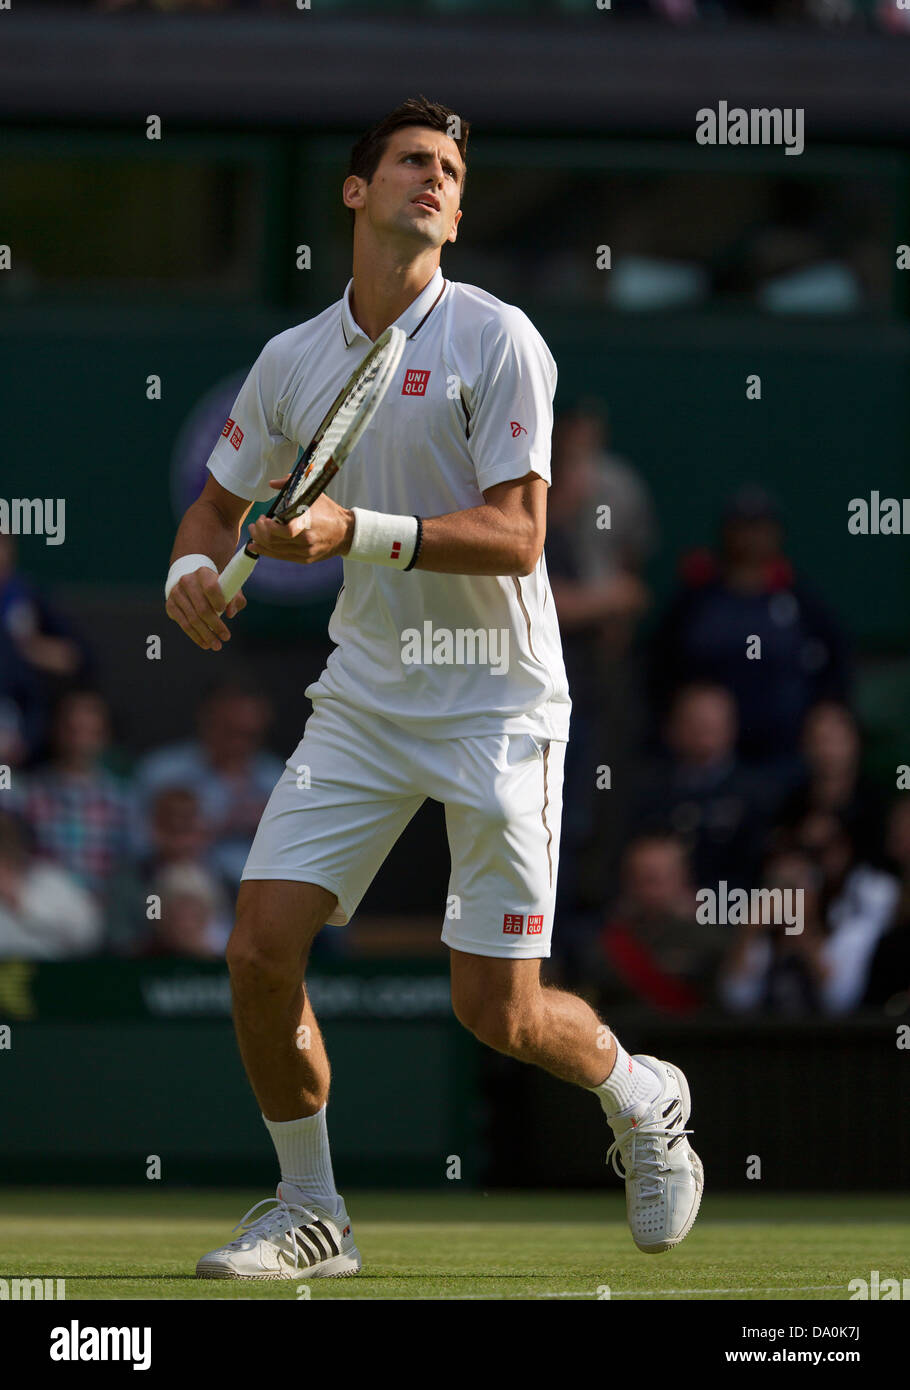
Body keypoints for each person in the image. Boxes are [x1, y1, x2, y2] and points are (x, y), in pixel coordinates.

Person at [164, 96, 702, 1279]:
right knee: (258, 952)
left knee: (495, 1013)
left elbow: (517, 536)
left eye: (451, 171)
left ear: (457, 211)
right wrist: (192, 569)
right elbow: (212, 504)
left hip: (500, 703)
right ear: (355, 193)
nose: (434, 179)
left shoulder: (501, 338)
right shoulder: (290, 360)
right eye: (411, 160)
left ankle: (641, 1092)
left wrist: (354, 528)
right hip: (364, 697)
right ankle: (313, 1208)